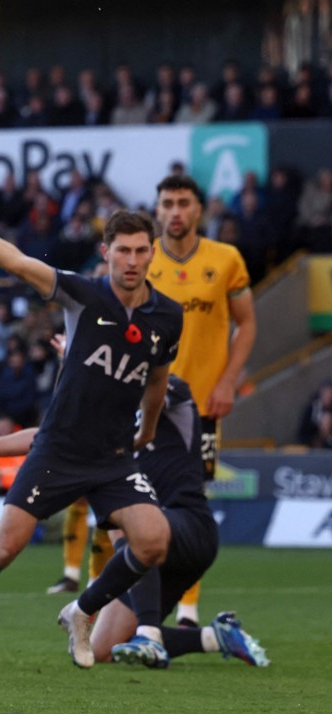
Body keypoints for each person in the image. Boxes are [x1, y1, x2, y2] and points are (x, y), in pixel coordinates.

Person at [0, 181, 183, 670]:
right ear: (106, 253)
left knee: (154, 539)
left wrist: (145, 434)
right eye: (122, 250)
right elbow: (18, 262)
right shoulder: (83, 294)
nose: (132, 260)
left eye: (142, 251)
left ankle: (80, 611)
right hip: (57, 451)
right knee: (4, 547)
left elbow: (157, 380)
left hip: (115, 458)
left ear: (152, 253)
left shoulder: (168, 316)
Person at [0, 375, 268, 670]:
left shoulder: (171, 388)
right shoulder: (106, 425)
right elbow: (47, 437)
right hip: (151, 552)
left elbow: (146, 388)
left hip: (188, 525)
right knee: (104, 648)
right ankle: (215, 637)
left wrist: (88, 361)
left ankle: (148, 633)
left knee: (126, 512)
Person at [150, 173, 256, 626]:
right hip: (145, 401)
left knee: (191, 502)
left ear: (199, 209)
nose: (176, 211)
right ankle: (114, 606)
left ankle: (188, 609)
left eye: (184, 203)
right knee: (132, 501)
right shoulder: (139, 259)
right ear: (157, 210)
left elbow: (247, 324)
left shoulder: (226, 259)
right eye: (168, 203)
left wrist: (228, 380)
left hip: (201, 408)